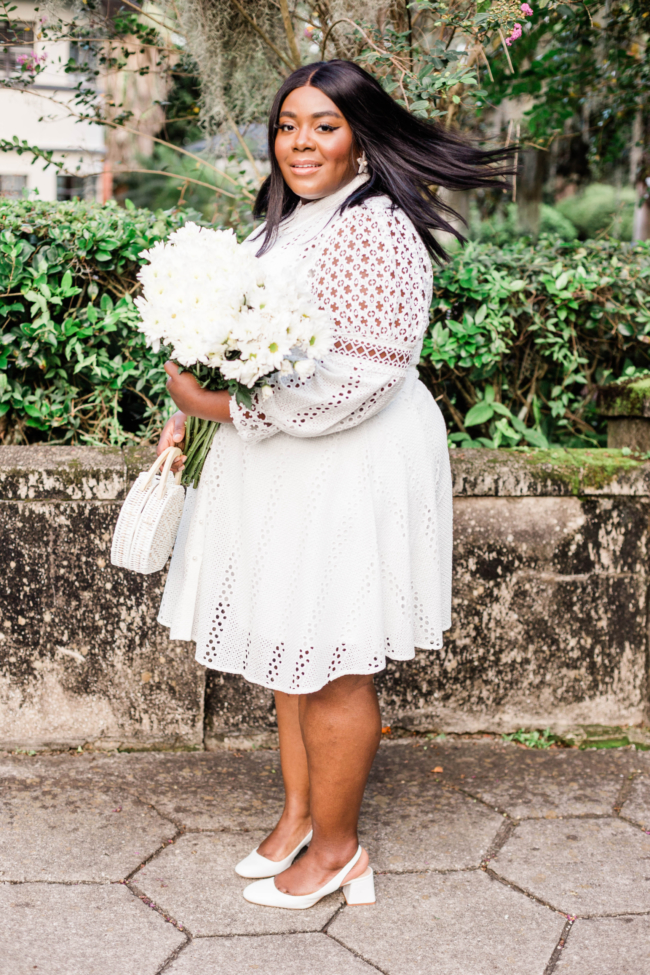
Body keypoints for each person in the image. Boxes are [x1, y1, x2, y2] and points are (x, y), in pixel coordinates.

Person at [156, 60, 512, 910]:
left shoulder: (374, 226)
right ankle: (301, 815)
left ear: (362, 135)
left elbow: (365, 377)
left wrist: (224, 404)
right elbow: (239, 336)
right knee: (291, 641)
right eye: (287, 125)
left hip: (346, 458)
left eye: (324, 124)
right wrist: (192, 407)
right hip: (285, 458)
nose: (300, 142)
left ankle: (341, 850)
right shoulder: (292, 222)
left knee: (333, 657)